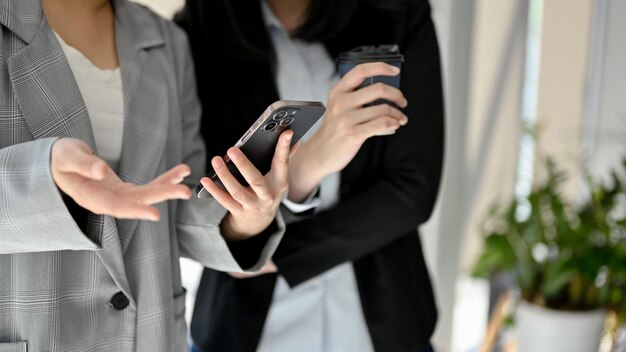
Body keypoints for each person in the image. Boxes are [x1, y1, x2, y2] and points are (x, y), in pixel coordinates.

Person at [0, 0, 294, 351]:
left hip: (151, 336)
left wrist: (246, 220)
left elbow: (176, 200)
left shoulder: (168, 40)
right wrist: (44, 178)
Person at [176, 0, 444, 351]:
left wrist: (274, 256)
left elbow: (413, 190)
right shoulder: (192, 36)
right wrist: (309, 165)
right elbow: (205, 207)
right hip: (242, 328)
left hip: (385, 321)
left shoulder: (397, 13)